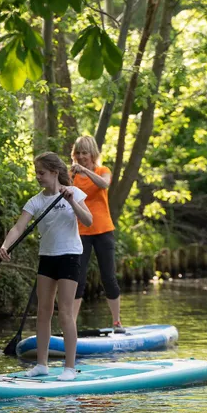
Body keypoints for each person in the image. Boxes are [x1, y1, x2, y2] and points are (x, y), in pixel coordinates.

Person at [0, 152, 92, 381]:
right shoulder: (36, 201)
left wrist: (71, 201)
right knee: (43, 311)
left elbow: (88, 221)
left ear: (54, 172)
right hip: (47, 257)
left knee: (65, 313)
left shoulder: (74, 193)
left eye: (41, 173)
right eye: (36, 173)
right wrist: (5, 246)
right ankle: (42, 365)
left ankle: (70, 367)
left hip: (70, 256)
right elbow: (18, 227)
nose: (38, 177)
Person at [69, 135, 122, 329]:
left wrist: (85, 171)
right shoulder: (71, 176)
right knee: (78, 278)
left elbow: (104, 184)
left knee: (108, 277)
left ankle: (116, 321)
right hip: (80, 232)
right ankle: (71, 324)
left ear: (93, 154)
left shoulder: (103, 171)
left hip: (103, 231)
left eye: (85, 153)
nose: (81, 156)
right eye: (78, 153)